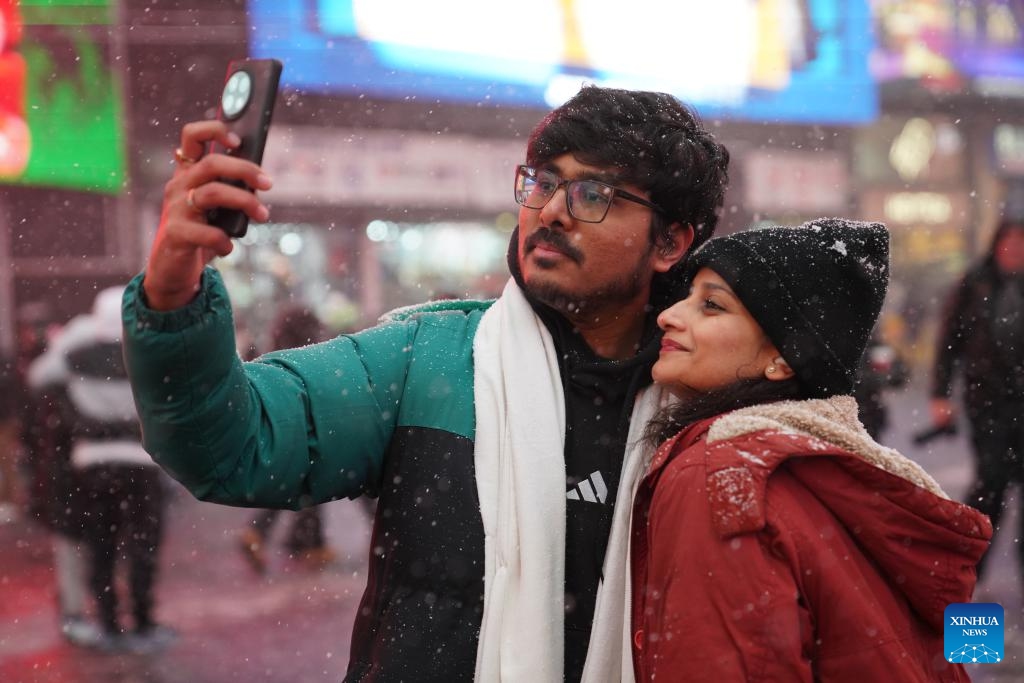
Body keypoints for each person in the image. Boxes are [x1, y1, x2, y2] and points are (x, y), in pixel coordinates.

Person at [121, 84, 729, 681]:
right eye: (543, 182)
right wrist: (174, 291)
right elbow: (224, 444)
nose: (550, 211)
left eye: (592, 194)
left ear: (670, 242)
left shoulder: (719, 403)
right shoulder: (426, 361)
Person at [632, 219, 991, 681]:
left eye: (712, 305)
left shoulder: (718, 474)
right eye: (686, 297)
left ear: (783, 359)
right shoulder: (825, 468)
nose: (669, 315)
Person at [31, 287, 175, 654]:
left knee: (102, 544)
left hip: (92, 462)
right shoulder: (147, 355)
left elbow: (39, 376)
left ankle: (109, 621)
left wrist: (73, 335)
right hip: (141, 460)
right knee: (143, 544)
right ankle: (143, 620)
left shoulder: (76, 354)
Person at [930, 216, 1024, 583]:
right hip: (988, 401)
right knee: (991, 483)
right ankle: (969, 572)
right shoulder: (975, 283)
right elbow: (948, 341)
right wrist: (940, 394)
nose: (1015, 250)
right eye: (1009, 242)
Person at [236, 304, 338, 574]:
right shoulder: (309, 359)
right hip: (303, 433)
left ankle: (303, 541)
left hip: (280, 434)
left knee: (300, 483)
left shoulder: (274, 356)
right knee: (306, 482)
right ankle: (296, 540)